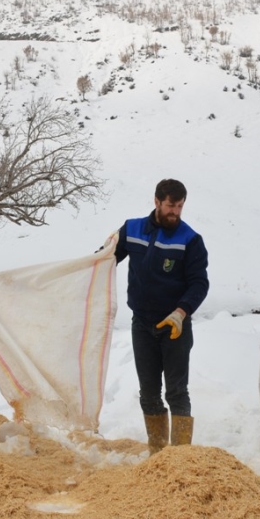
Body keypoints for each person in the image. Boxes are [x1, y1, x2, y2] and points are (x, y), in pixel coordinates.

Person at [113, 179, 209, 455]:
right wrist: (98, 258)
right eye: (170, 205)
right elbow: (107, 258)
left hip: (174, 326)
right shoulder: (131, 229)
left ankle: (180, 458)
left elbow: (199, 283)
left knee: (177, 392)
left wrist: (181, 312)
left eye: (179, 206)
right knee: (149, 393)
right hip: (142, 323)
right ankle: (158, 453)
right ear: (156, 201)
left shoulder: (190, 240)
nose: (175, 212)